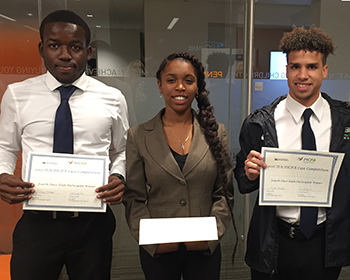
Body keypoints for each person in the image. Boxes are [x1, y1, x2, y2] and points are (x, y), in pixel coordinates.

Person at [0, 10, 129, 280]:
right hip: (38, 223)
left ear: (88, 51)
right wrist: (2, 174)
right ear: (42, 48)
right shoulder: (17, 95)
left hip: (92, 223)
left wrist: (119, 176)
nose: (64, 54)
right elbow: (5, 147)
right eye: (54, 45)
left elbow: (122, 150)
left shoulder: (112, 98)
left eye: (74, 46)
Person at [234, 25, 350, 280]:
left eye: (312, 66)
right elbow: (243, 182)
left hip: (324, 243)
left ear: (324, 70)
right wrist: (249, 173)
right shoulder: (259, 123)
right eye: (295, 66)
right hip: (274, 242)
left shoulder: (344, 122)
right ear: (286, 70)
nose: (303, 75)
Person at [123, 52, 234, 280]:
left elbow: (224, 193)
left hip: (203, 247)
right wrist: (151, 241)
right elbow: (134, 197)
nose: (180, 87)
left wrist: (212, 235)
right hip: (159, 248)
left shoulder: (216, 132)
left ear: (197, 87)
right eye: (171, 80)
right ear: (160, 86)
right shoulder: (138, 136)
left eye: (188, 80)